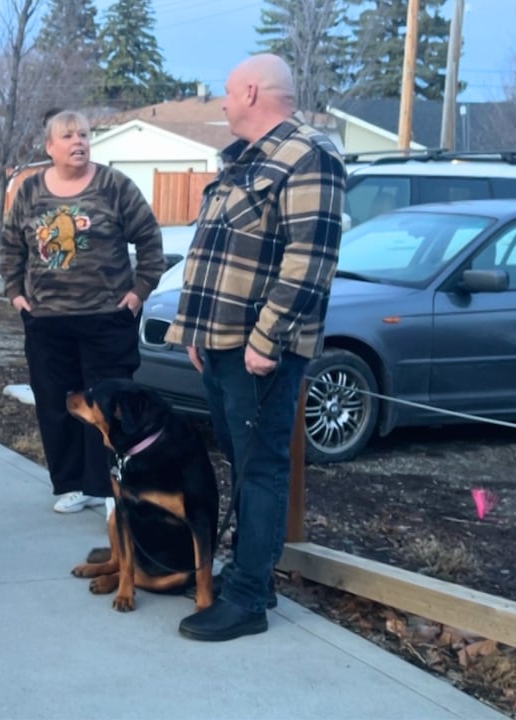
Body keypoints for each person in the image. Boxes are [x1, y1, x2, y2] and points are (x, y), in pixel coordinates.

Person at [164, 54, 346, 642]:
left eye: (225, 92)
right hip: (221, 346)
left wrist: (267, 341)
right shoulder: (246, 162)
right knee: (242, 467)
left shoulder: (309, 155)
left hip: (258, 352)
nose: (221, 103)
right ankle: (250, 577)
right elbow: (215, 254)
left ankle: (248, 599)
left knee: (261, 469)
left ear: (249, 91)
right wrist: (195, 332)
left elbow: (309, 261)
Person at [0, 110, 167, 514]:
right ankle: (76, 484)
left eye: (84, 135)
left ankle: (111, 487)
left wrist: (140, 290)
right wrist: (15, 293)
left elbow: (149, 239)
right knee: (59, 406)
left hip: (106, 319)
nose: (79, 142)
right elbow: (10, 246)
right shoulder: (29, 190)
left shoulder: (114, 186)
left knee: (112, 409)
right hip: (47, 322)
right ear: (50, 147)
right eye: (68, 136)